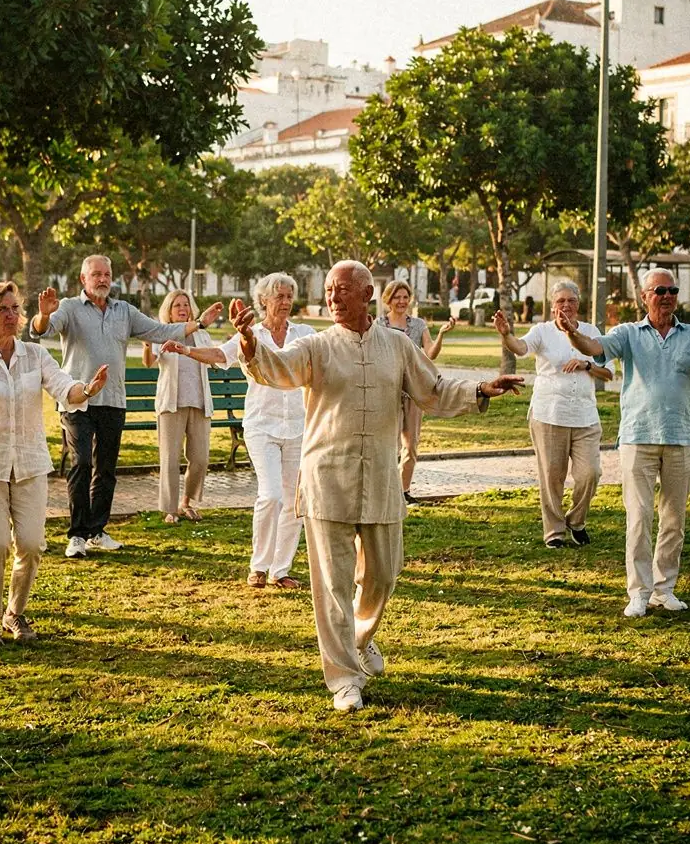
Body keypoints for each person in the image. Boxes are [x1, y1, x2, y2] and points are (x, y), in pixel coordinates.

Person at [229, 260, 524, 713]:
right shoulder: (317, 346)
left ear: (367, 294)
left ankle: (360, 637)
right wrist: (250, 344)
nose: (332, 297)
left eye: (342, 289)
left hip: (381, 479)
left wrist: (482, 388)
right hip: (327, 479)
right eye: (329, 290)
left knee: (383, 574)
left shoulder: (398, 345)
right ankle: (345, 679)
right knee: (332, 586)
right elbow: (278, 369)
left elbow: (434, 389)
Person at [0, 284, 108, 648]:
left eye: (15, 308)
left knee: (30, 543)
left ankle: (15, 612)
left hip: (30, 462)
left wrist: (89, 390)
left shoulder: (35, 355)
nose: (12, 315)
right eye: (3, 310)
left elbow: (65, 388)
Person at [556, 269, 690, 617]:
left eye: (672, 290)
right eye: (659, 291)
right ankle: (639, 593)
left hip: (681, 437)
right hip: (638, 437)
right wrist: (572, 333)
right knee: (639, 518)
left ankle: (663, 590)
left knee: (674, 520)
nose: (667, 296)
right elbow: (594, 348)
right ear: (644, 297)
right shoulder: (628, 333)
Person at [31, 255, 208, 559]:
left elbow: (160, 331)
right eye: (96, 274)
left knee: (106, 470)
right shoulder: (70, 307)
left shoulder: (124, 311)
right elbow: (41, 331)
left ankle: (97, 531)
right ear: (83, 279)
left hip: (113, 400)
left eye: (106, 274)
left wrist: (200, 323)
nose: (102, 279)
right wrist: (44, 315)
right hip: (78, 400)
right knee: (81, 463)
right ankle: (77, 535)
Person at [168, 272, 315, 588]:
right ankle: (259, 566)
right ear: (263, 300)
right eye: (279, 296)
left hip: (297, 427)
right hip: (262, 426)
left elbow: (326, 356)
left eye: (289, 296)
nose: (286, 302)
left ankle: (280, 570)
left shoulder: (304, 333)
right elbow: (219, 355)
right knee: (271, 495)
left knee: (295, 501)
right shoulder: (251, 334)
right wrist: (186, 351)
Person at [493, 280, 612, 548]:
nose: (566, 305)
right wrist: (506, 335)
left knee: (590, 474)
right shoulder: (542, 331)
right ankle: (555, 532)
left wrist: (586, 364)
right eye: (560, 301)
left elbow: (609, 372)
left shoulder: (592, 332)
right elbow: (520, 348)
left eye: (571, 300)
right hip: (549, 414)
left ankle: (576, 521)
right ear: (552, 306)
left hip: (585, 417)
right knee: (552, 477)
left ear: (578, 304)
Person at [141, 290, 225, 524]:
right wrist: (147, 345)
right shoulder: (162, 333)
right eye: (176, 305)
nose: (182, 308)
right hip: (171, 403)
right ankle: (170, 509)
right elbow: (149, 362)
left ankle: (186, 502)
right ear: (168, 311)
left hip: (199, 403)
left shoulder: (202, 335)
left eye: (185, 304)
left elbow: (213, 360)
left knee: (200, 459)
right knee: (170, 459)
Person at [379, 279, 456, 501]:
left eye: (405, 297)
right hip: (387, 391)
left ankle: (403, 492)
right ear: (388, 300)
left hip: (413, 392)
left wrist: (441, 334)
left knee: (410, 445)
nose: (401, 301)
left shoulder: (418, 325)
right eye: (397, 297)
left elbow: (430, 353)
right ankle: (386, 492)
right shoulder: (379, 325)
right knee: (387, 445)